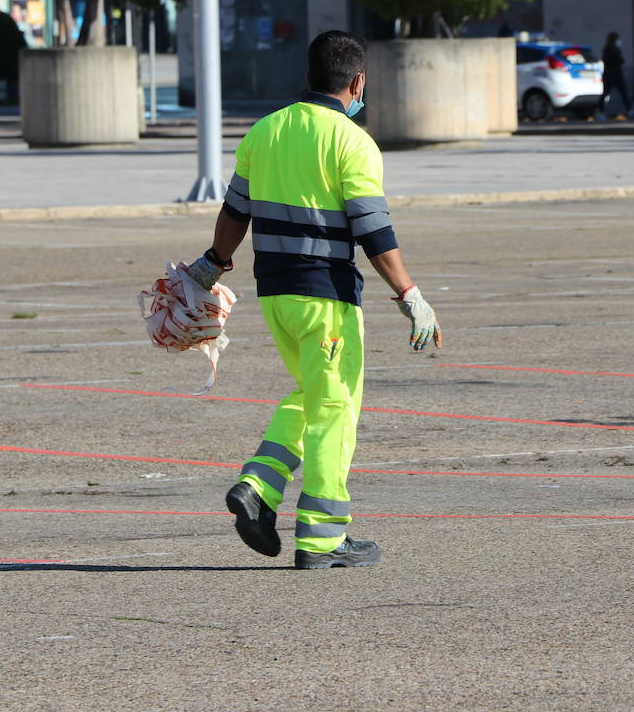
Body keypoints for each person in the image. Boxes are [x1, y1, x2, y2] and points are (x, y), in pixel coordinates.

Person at [183, 30, 443, 570]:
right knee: (335, 410)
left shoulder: (265, 131)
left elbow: (236, 212)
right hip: (326, 297)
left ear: (308, 77)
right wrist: (410, 295)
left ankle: (259, 486)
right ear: (357, 82)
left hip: (275, 293)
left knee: (312, 394)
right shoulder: (352, 142)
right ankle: (324, 538)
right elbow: (374, 230)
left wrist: (212, 264)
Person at [599, 31, 632, 121]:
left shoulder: (613, 49)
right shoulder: (610, 50)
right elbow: (615, 61)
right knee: (614, 93)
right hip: (613, 74)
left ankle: (629, 109)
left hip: (613, 74)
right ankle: (600, 111)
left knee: (622, 93)